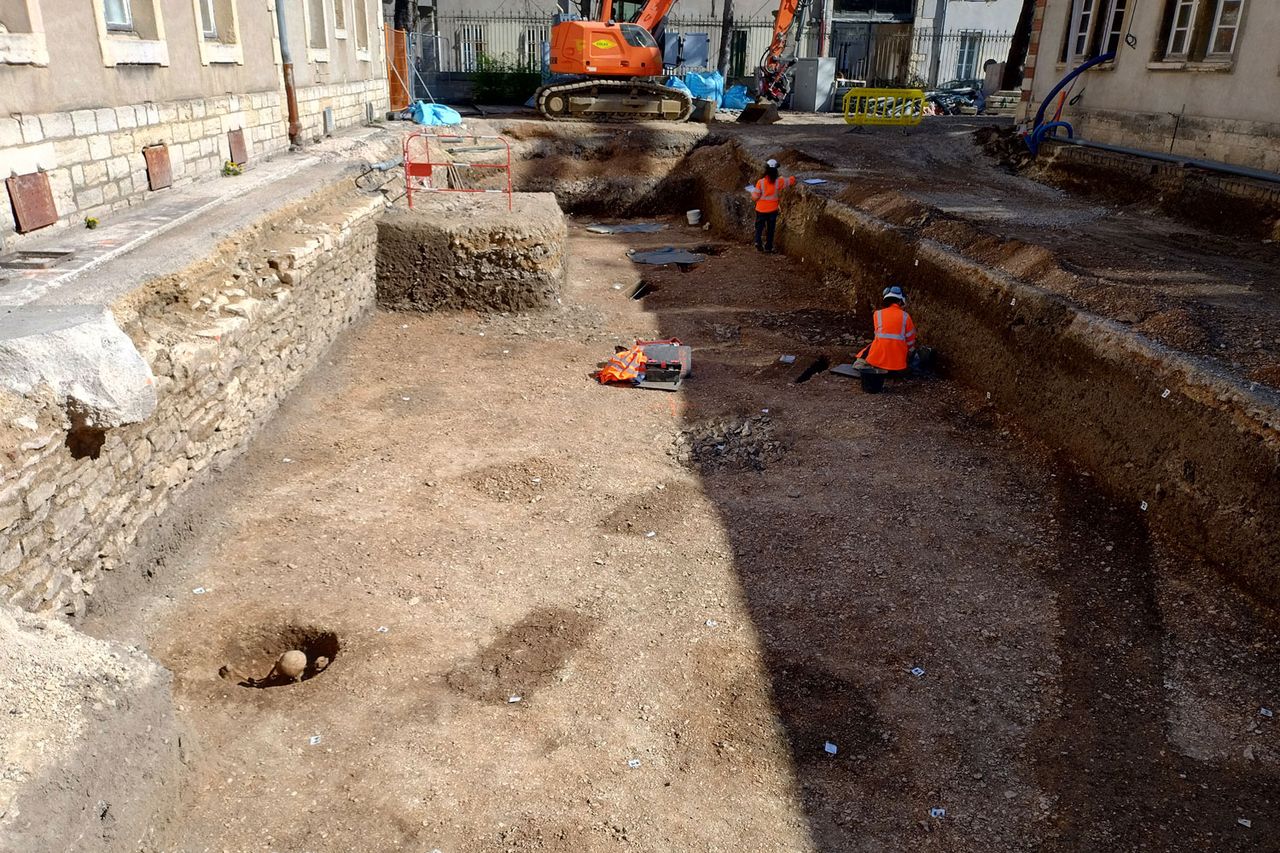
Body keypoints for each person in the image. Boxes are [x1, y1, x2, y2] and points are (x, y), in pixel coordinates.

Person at [854, 285, 917, 393]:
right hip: (898, 367)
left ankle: (863, 365)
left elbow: (879, 336)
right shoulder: (906, 317)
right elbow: (911, 341)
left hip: (877, 363)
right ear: (901, 301)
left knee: (872, 347)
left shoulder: (877, 314)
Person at [749, 158, 796, 253]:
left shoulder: (760, 182)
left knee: (759, 227)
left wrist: (752, 192)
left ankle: (758, 242)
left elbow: (755, 197)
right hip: (772, 211)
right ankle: (768, 247)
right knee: (770, 230)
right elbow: (790, 181)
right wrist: (793, 178)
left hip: (761, 210)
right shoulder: (778, 182)